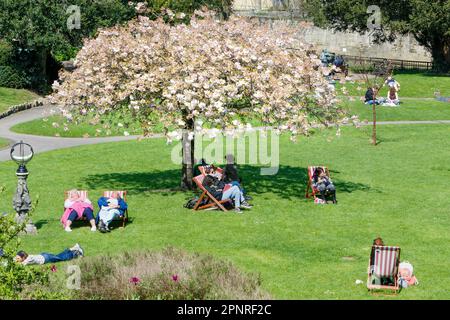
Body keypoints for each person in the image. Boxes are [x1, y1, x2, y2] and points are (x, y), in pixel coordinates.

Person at [15, 243, 83, 265]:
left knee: (61, 258)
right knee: (59, 256)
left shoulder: (29, 259)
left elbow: (23, 264)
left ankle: (76, 252)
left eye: (18, 258)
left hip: (46, 258)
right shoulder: (28, 257)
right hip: (45, 256)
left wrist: (15, 263)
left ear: (23, 257)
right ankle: (73, 248)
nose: (17, 259)